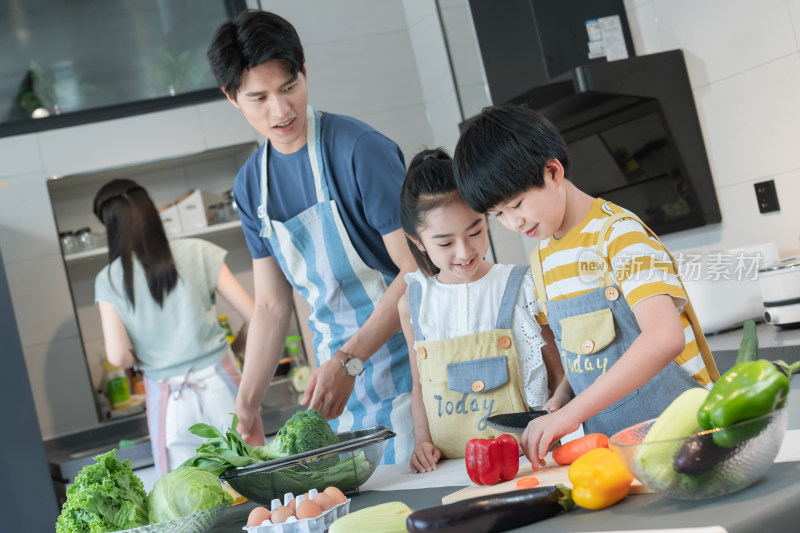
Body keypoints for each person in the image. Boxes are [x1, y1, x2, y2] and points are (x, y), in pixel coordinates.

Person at [452, 104, 720, 467]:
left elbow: (664, 337)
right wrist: (563, 396)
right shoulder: (543, 258)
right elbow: (585, 357)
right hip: (620, 454)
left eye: (516, 204)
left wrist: (572, 414)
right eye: (499, 215)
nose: (514, 223)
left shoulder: (619, 235)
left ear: (552, 171)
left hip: (688, 437)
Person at [206, 10, 416, 464]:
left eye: (289, 88)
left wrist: (350, 361)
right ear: (231, 97)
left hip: (412, 372)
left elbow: (415, 270)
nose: (280, 111)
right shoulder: (251, 186)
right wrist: (246, 405)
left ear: (305, 69)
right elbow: (270, 306)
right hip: (335, 393)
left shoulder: (361, 150)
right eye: (258, 97)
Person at [397, 148, 564, 473]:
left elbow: (557, 368)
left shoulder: (522, 285)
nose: (465, 251)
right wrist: (421, 442)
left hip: (528, 463)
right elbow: (419, 384)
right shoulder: (414, 302)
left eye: (475, 231)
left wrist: (557, 427)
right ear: (417, 241)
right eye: (445, 243)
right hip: (450, 470)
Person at [93, 179, 255, 475]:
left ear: (110, 226)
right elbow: (256, 316)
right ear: (152, 211)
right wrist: (235, 348)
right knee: (253, 482)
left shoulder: (109, 279)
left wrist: (140, 358)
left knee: (188, 505)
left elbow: (117, 357)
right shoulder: (200, 251)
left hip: (169, 400)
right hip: (222, 386)